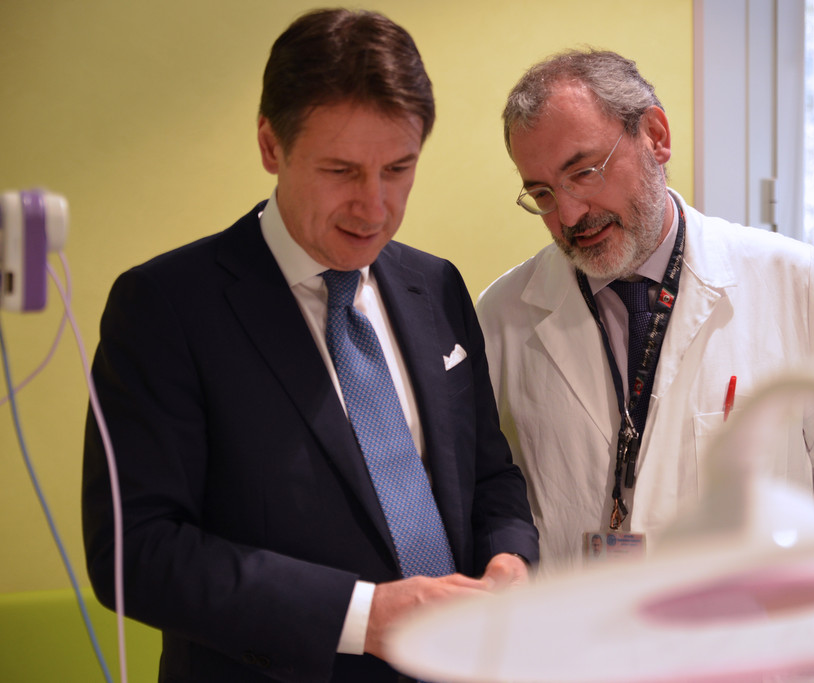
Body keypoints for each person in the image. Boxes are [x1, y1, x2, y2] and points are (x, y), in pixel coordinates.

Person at [81, 9, 538, 682]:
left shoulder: (436, 285)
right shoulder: (166, 307)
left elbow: (488, 475)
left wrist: (509, 559)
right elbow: (137, 553)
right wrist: (364, 616)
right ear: (271, 145)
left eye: (399, 168)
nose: (374, 206)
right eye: (341, 170)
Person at [477, 49, 814, 578]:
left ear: (655, 135)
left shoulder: (794, 282)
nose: (570, 214)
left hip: (749, 621)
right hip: (578, 624)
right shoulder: (502, 315)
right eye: (542, 193)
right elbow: (492, 494)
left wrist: (787, 606)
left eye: (583, 172)